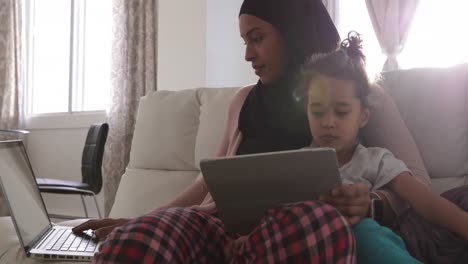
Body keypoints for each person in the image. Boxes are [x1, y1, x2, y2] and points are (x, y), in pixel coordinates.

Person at [73, 0, 430, 262]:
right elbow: (207, 185)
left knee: (320, 223)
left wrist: (372, 205)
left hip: (299, 234)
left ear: (292, 33)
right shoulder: (243, 101)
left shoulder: (361, 96)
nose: (247, 54)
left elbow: (419, 184)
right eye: (244, 40)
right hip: (219, 229)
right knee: (130, 244)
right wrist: (142, 220)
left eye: (257, 38)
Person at [301, 31, 468, 263]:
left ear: (363, 117)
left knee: (363, 232)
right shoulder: (295, 164)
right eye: (317, 111)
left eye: (341, 111)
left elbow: (425, 201)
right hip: (312, 249)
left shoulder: (375, 160)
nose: (328, 122)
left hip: (364, 247)